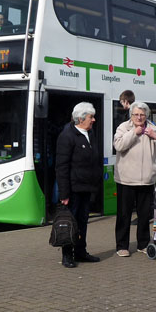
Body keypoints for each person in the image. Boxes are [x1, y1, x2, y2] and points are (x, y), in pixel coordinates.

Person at [113, 101, 156, 256]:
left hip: (146, 179)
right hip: (126, 180)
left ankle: (143, 244)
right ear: (131, 115)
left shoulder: (152, 128)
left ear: (146, 115)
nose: (139, 117)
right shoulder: (123, 128)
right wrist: (134, 133)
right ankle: (122, 246)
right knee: (124, 215)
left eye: (142, 115)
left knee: (145, 215)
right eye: (136, 114)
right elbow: (118, 145)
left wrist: (155, 137)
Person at [54, 102, 102, 268]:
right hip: (73, 189)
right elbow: (61, 166)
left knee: (82, 221)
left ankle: (81, 252)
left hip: (86, 187)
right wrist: (64, 194)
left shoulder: (90, 133)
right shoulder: (67, 136)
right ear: (81, 118)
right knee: (70, 222)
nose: (94, 120)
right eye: (91, 117)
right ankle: (67, 255)